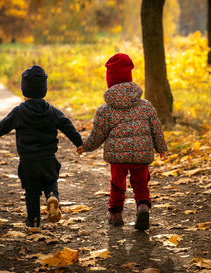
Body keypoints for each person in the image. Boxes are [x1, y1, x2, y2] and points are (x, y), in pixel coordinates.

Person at [0, 65, 83, 228]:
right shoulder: (52, 111)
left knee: (32, 192)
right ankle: (51, 196)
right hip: (48, 159)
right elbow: (67, 125)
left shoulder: (19, 111)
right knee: (51, 181)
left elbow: (3, 125)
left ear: (24, 89)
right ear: (44, 89)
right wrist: (79, 143)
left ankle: (33, 222)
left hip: (28, 161)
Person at [77, 53, 168, 231]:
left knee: (117, 184)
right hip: (142, 155)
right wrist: (161, 148)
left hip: (118, 158)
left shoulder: (105, 110)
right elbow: (156, 129)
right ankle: (142, 207)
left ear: (109, 81)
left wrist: (85, 147)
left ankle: (116, 214)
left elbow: (97, 135)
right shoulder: (146, 106)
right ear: (129, 79)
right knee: (141, 183)